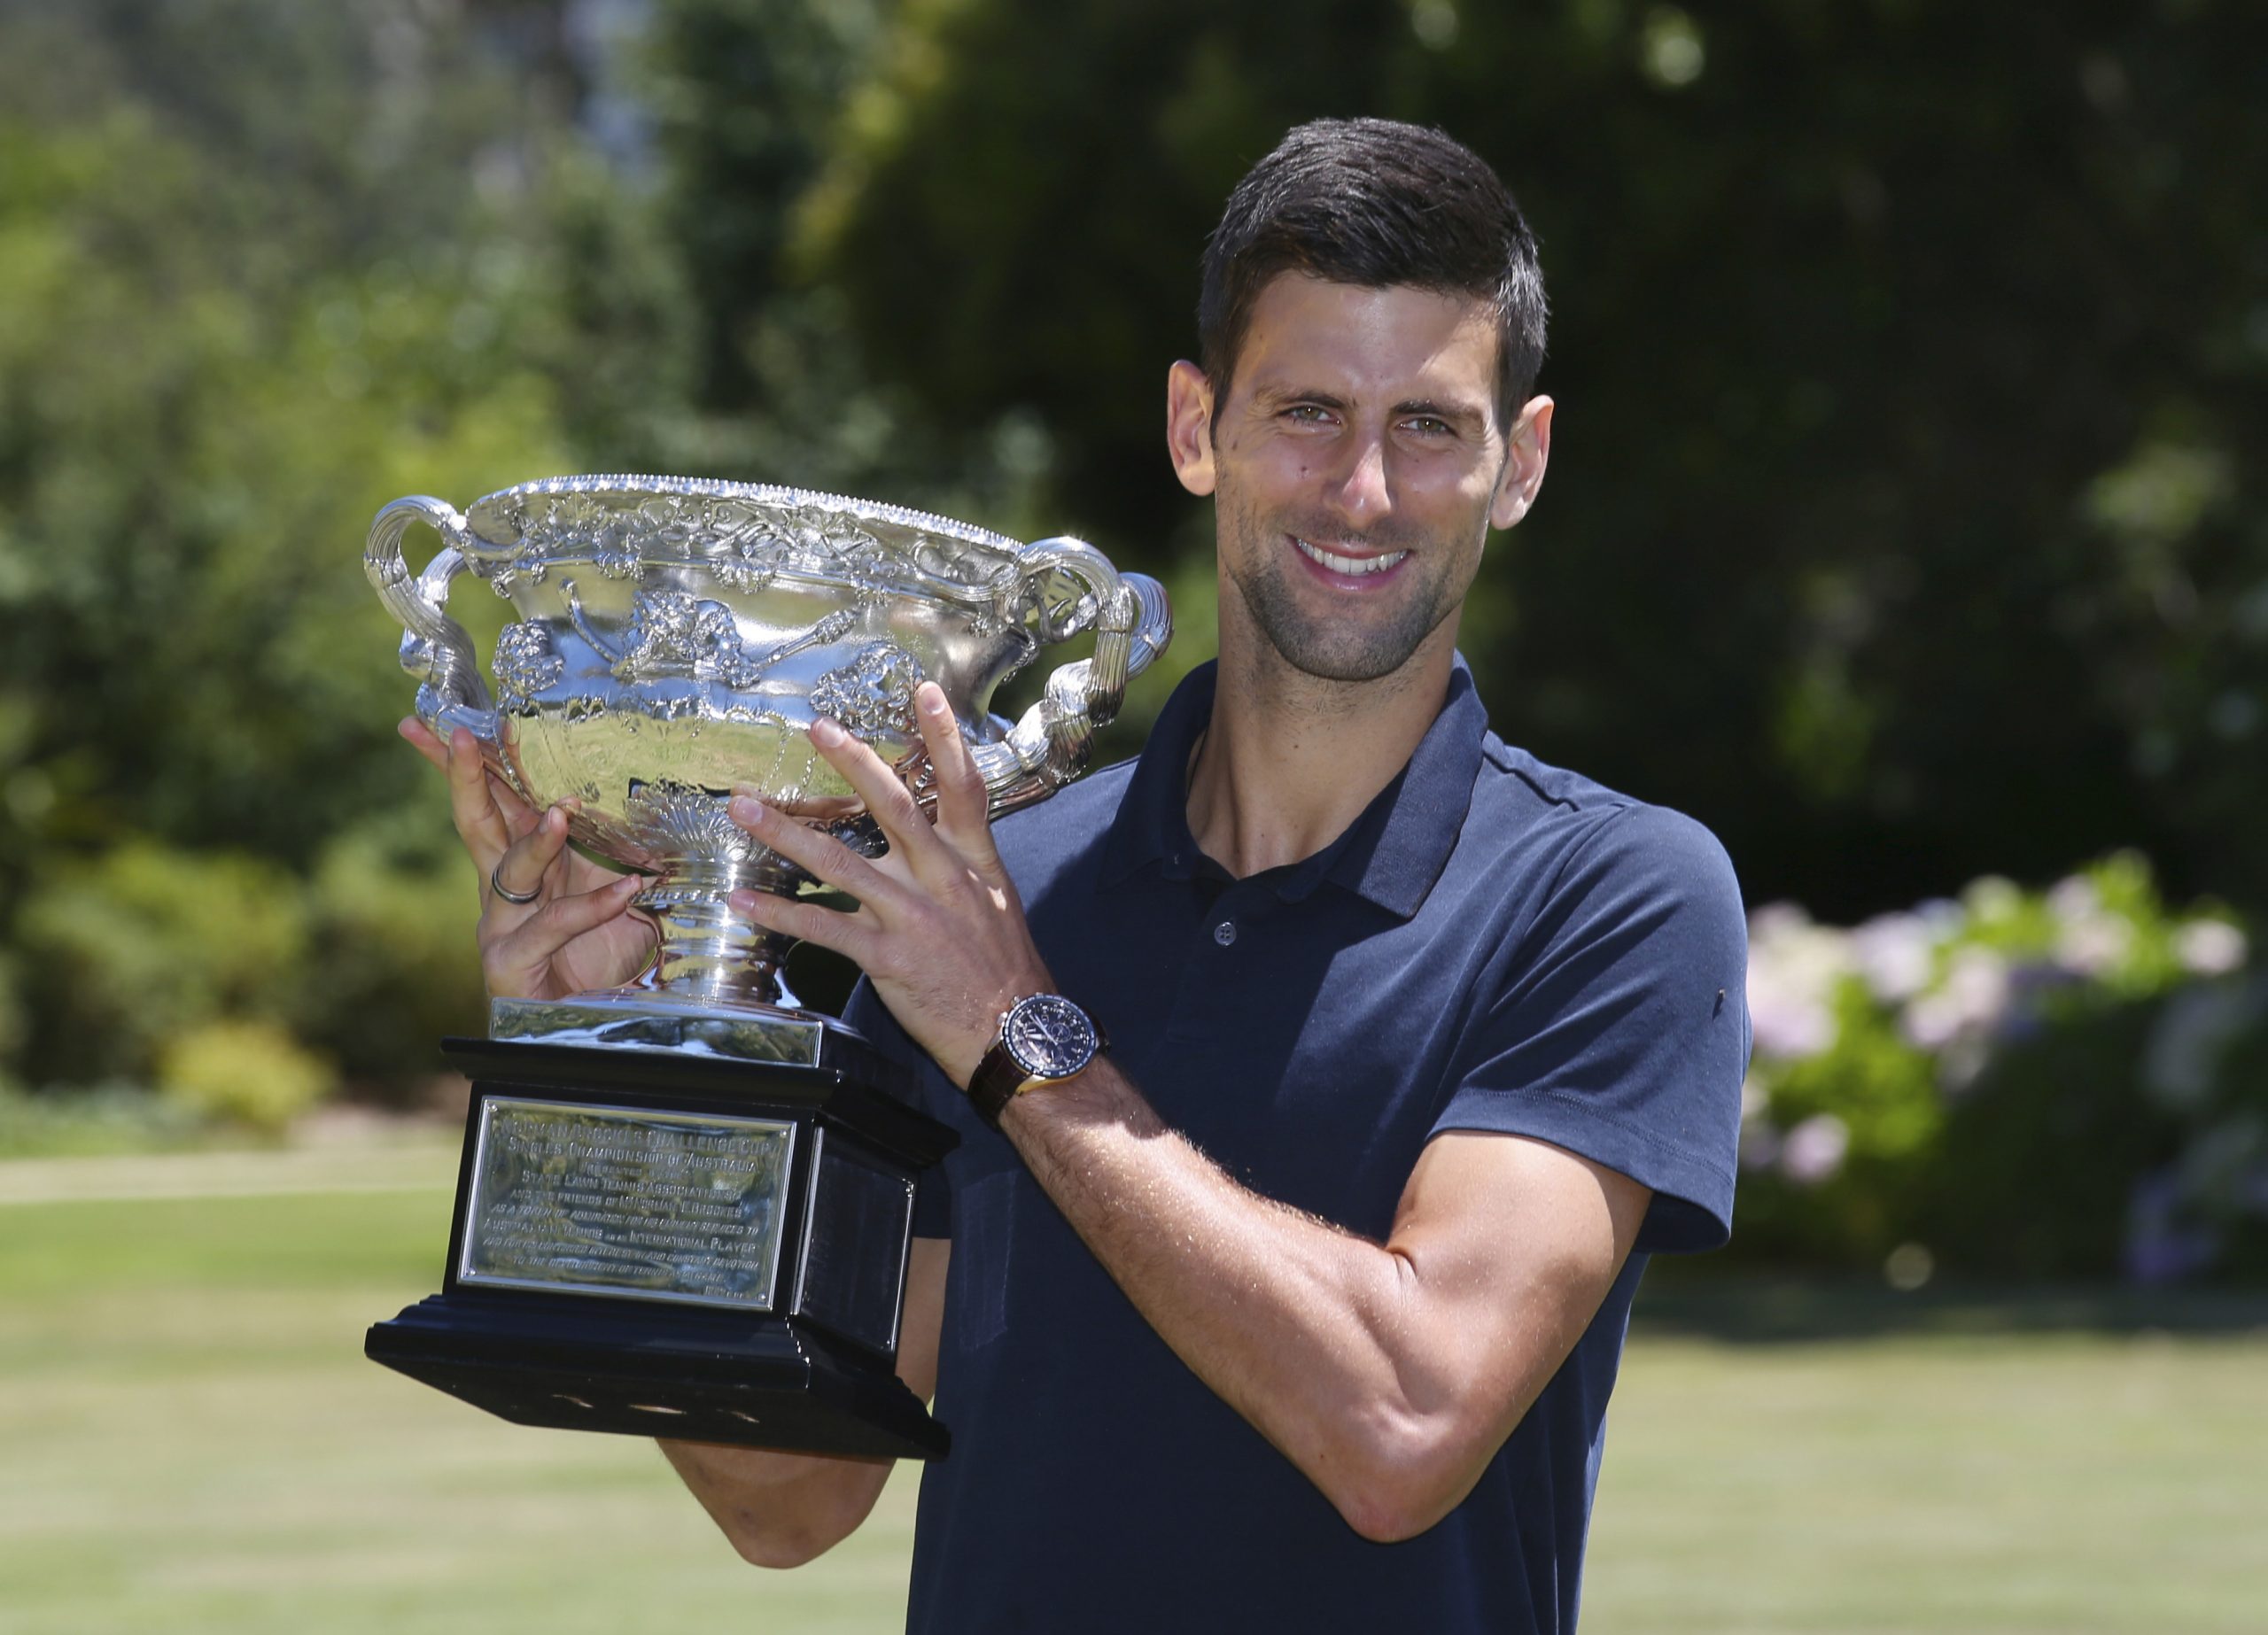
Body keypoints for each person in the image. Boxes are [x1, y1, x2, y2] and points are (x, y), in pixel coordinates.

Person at [408, 116, 1749, 1633]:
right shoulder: (986, 884)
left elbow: (1404, 1426)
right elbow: (788, 1500)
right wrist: (628, 1066)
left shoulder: (1614, 895)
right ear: (1196, 429)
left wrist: (1021, 1035)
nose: (1363, 490)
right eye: (1306, 410)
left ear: (1522, 460)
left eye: (1430, 425)